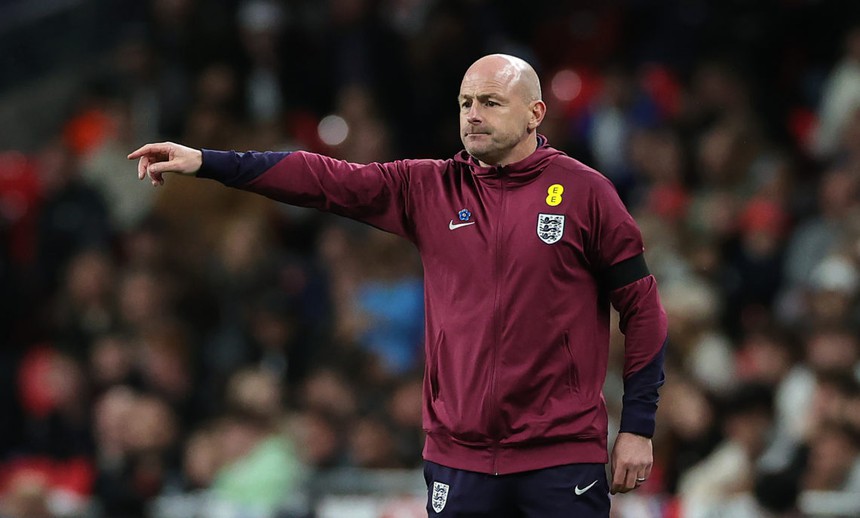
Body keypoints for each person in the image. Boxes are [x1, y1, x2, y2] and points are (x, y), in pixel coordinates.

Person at [128, 54, 668, 517]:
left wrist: (637, 425)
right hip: (458, 458)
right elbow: (321, 179)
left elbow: (643, 310)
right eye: (465, 103)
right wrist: (208, 162)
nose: (473, 116)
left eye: (490, 103)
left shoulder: (585, 192)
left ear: (535, 113)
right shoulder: (428, 187)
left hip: (559, 455)